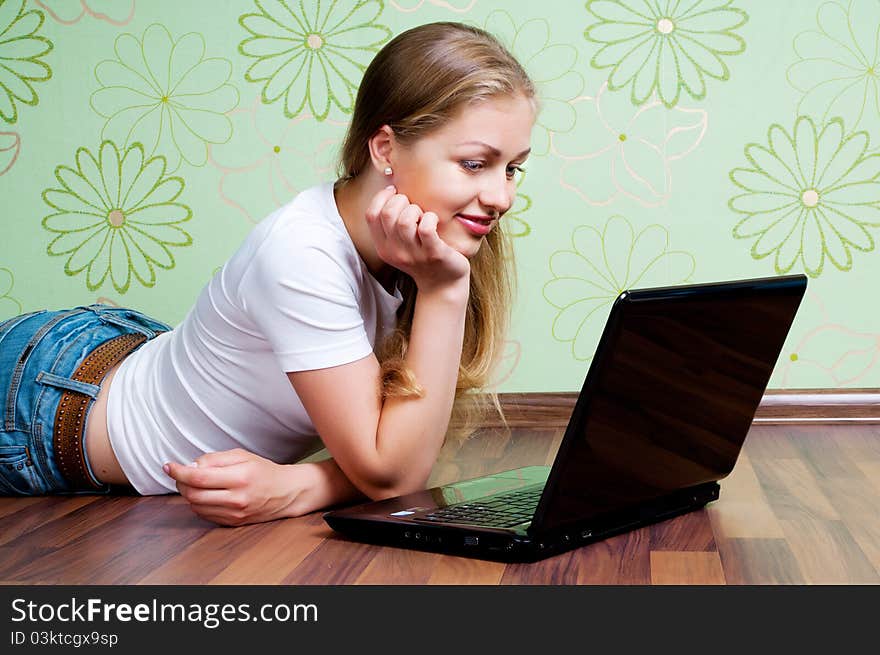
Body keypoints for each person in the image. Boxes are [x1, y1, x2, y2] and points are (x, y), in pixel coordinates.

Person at [0, 22, 537, 526]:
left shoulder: (428, 245)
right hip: (41, 410)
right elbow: (391, 473)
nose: (501, 197)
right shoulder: (301, 254)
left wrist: (297, 485)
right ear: (385, 148)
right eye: (474, 164)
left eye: (512, 168)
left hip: (118, 352)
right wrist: (444, 292)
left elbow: (408, 447)